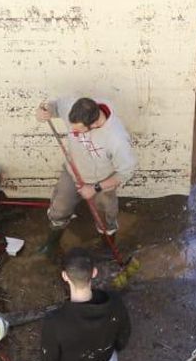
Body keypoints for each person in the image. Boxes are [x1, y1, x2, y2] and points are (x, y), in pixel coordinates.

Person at [34, 94, 137, 257]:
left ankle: (107, 249)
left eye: (78, 130)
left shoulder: (116, 139)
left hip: (101, 181)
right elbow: (54, 107)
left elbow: (126, 172)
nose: (73, 132)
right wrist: (45, 112)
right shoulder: (72, 106)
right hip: (73, 171)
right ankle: (52, 244)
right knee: (59, 208)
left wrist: (95, 188)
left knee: (104, 218)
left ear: (95, 124)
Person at [40, 248, 132, 361]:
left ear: (65, 276)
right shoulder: (114, 301)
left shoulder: (54, 321)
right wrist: (113, 348)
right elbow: (124, 336)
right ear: (94, 272)